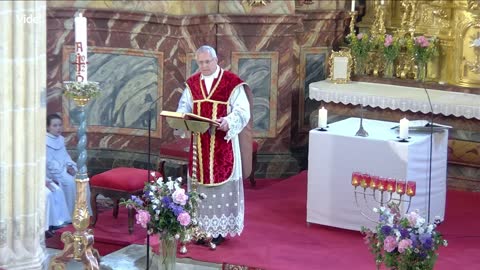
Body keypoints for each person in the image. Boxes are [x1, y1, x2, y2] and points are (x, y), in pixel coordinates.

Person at [176, 45, 252, 245]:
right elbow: (184, 105)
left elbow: (243, 111)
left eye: (207, 61)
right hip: (199, 145)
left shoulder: (231, 83)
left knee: (220, 188)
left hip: (222, 144)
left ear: (216, 60)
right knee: (199, 187)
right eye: (200, 62)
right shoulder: (192, 84)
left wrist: (228, 121)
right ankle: (199, 228)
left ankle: (218, 231)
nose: (204, 65)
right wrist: (182, 113)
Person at [46, 114, 91, 217]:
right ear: (48, 127)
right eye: (55, 125)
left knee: (82, 178)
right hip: (53, 171)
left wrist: (71, 166)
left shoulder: (60, 139)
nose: (58, 128)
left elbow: (65, 156)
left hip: (64, 168)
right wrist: (64, 168)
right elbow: (48, 162)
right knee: (70, 182)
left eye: (60, 125)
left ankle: (83, 210)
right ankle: (71, 214)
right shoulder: (45, 141)